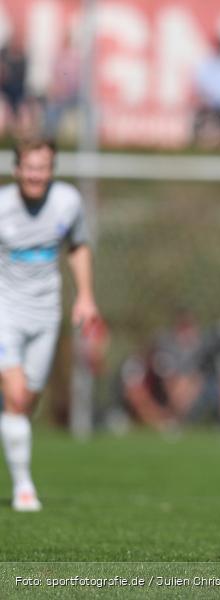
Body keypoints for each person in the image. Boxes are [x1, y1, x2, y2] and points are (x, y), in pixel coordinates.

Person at [0, 138, 101, 511]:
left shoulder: (67, 202)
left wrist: (85, 296)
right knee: (14, 395)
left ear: (51, 170)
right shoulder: (3, 206)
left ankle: (13, 423)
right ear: (17, 170)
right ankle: (24, 487)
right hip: (4, 311)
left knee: (27, 399)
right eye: (29, 168)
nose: (36, 175)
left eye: (43, 168)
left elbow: (77, 247)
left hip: (46, 314)